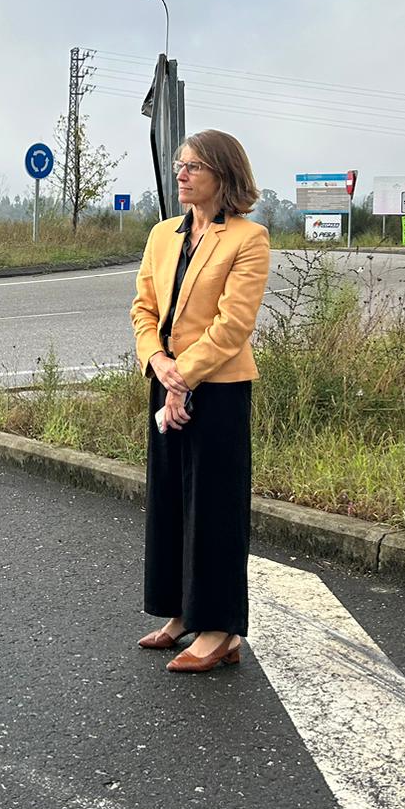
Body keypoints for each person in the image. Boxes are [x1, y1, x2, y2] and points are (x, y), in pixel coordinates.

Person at [128, 129, 269, 672]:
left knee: (214, 506)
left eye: (193, 166)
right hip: (168, 381)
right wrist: (159, 366)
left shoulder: (247, 239)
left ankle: (220, 629)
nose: (181, 173)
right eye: (179, 164)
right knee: (169, 499)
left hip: (220, 389)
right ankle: (181, 615)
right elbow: (142, 309)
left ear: (223, 176)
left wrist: (181, 379)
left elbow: (233, 326)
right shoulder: (163, 234)